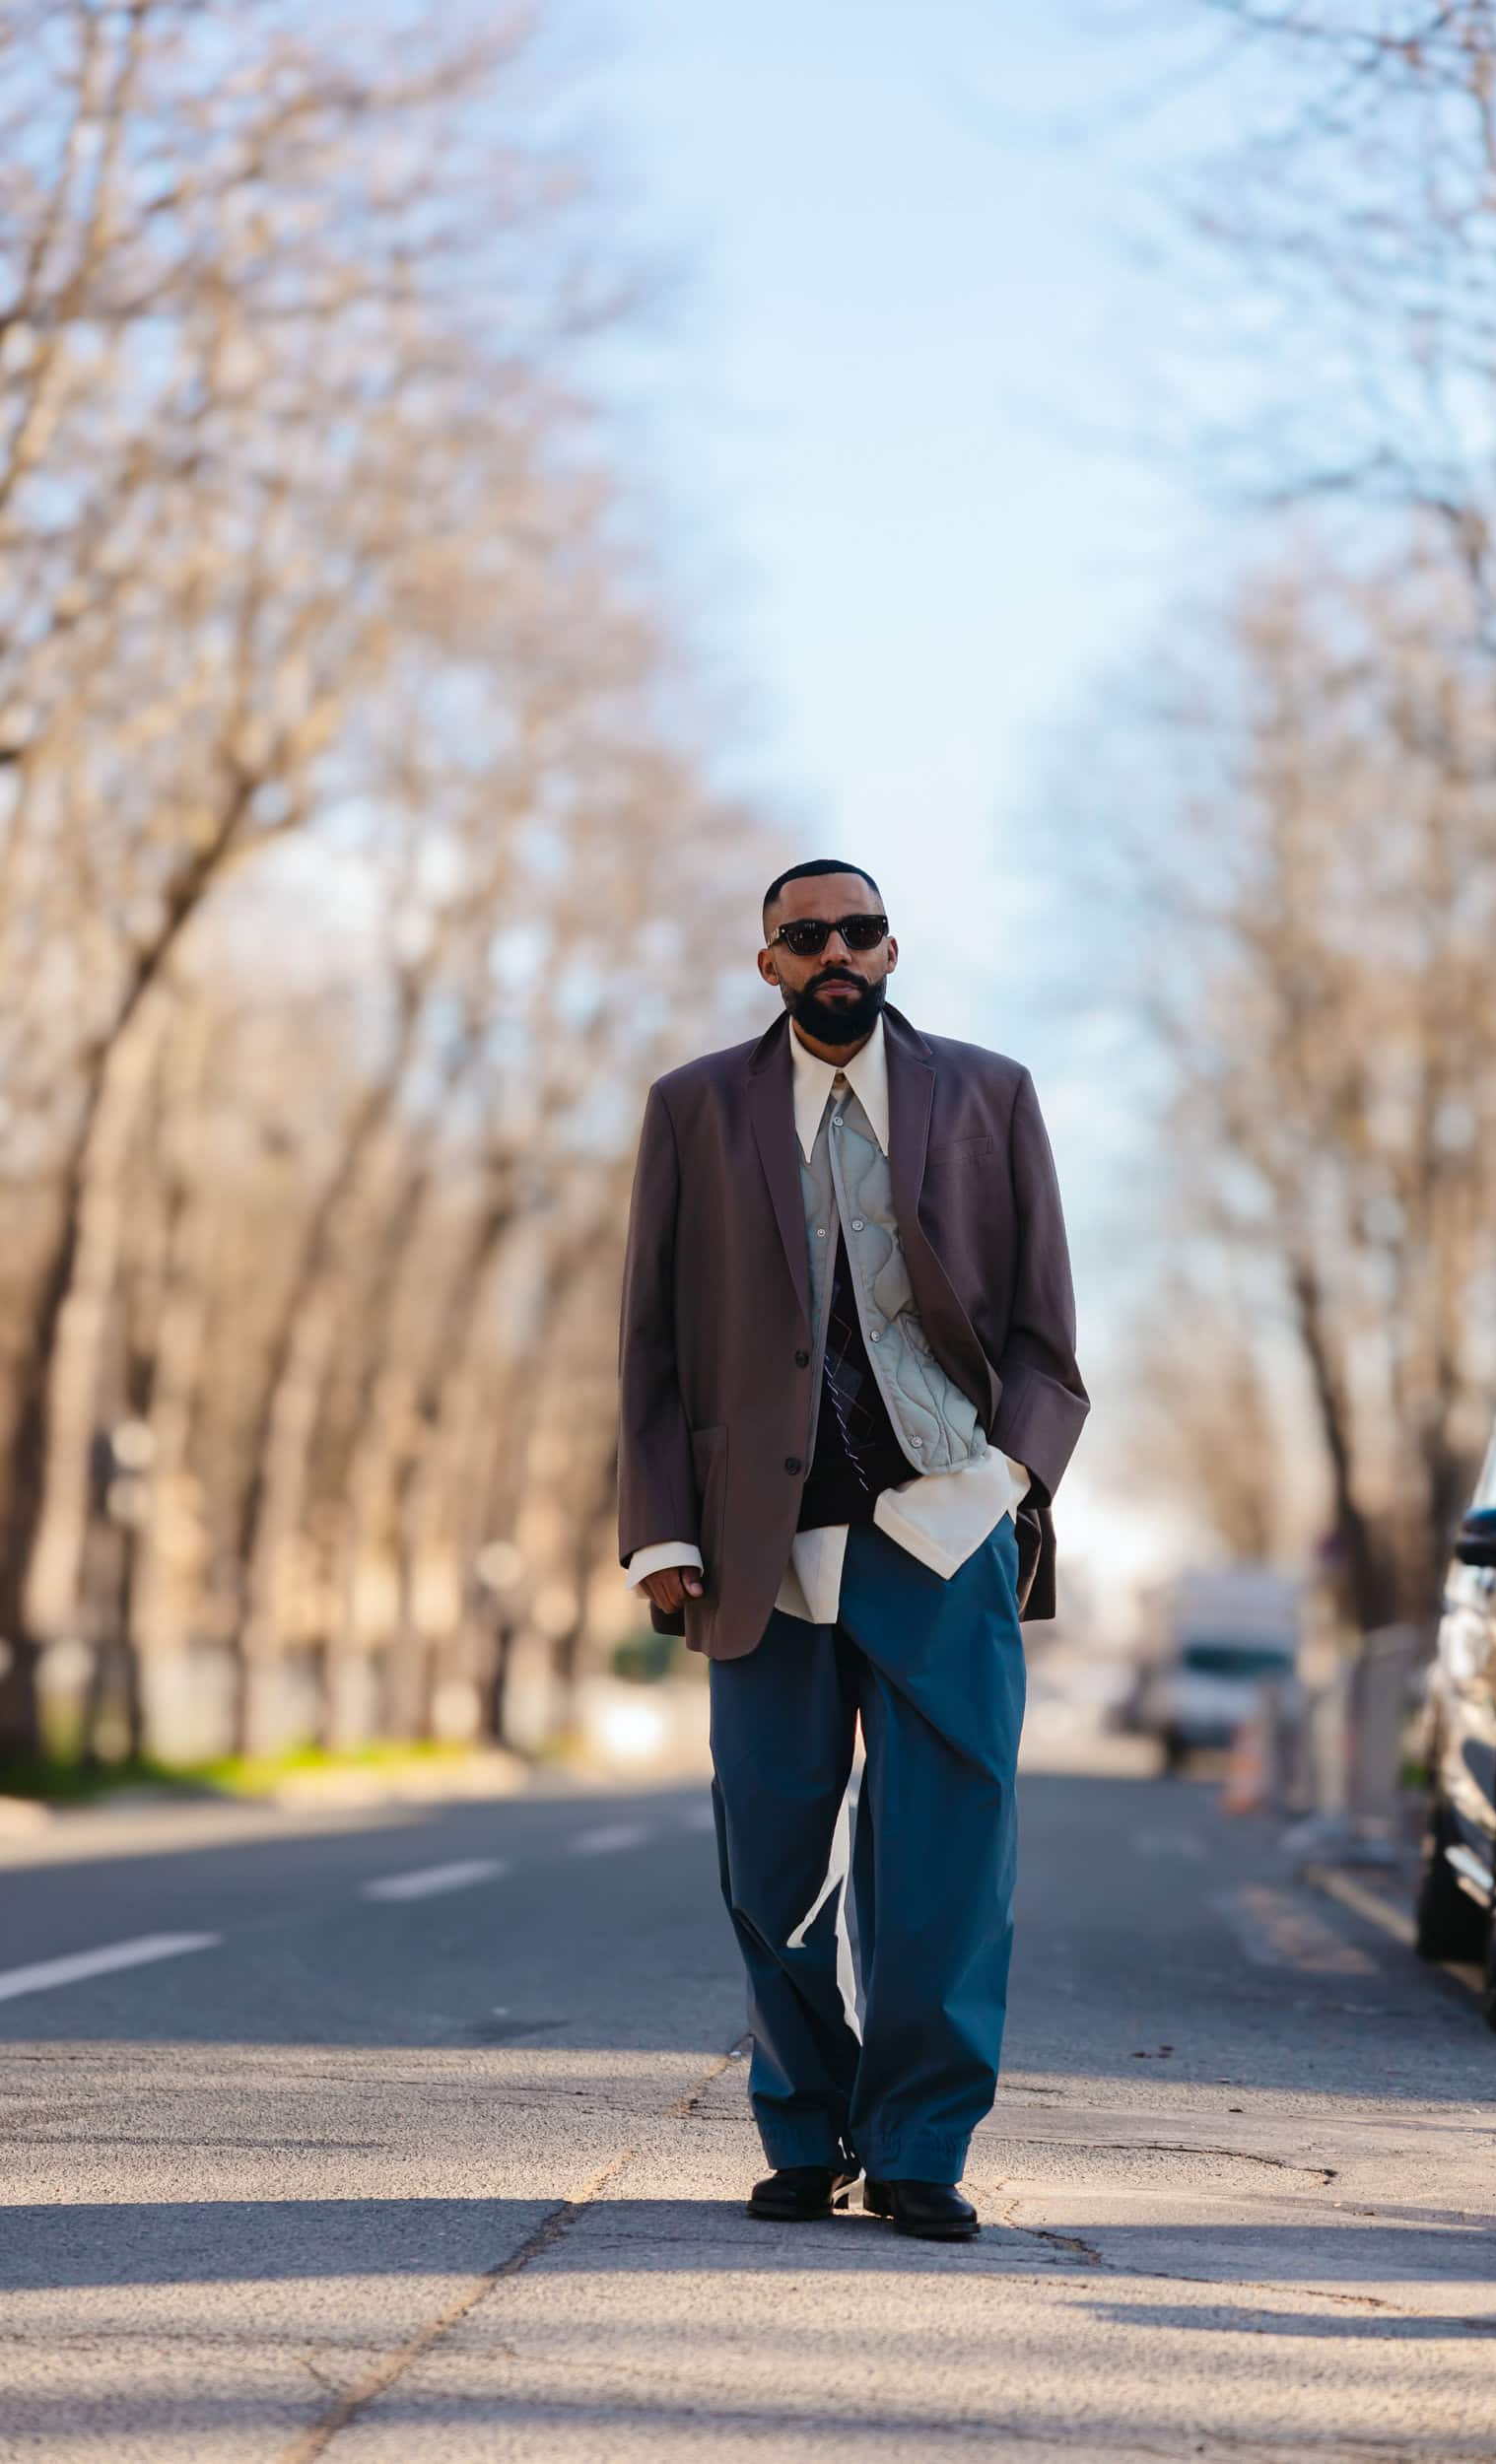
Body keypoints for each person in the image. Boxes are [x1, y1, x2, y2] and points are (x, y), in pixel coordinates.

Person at [616, 859, 1087, 2241]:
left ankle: (921, 2144)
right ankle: (805, 2126)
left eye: (860, 930)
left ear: (891, 947)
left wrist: (1010, 1474)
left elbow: (1046, 1328)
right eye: (806, 935)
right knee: (771, 1855)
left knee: (949, 1856)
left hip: (946, 1522)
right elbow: (649, 1340)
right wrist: (658, 1528)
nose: (838, 952)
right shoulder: (695, 1109)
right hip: (761, 1536)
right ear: (768, 961)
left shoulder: (987, 1093)